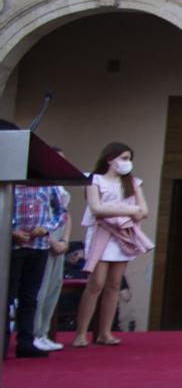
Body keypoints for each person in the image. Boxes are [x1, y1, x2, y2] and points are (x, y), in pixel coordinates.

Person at [70, 141, 153, 348]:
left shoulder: (133, 183)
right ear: (110, 159)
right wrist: (128, 210)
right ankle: (81, 332)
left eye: (130, 159)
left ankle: (105, 332)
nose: (128, 163)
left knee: (114, 285)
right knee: (96, 283)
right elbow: (97, 209)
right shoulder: (95, 180)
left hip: (122, 236)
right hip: (101, 233)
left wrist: (121, 210)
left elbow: (143, 210)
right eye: (124, 158)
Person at [7, 181, 60, 361]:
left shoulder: (48, 186)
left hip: (39, 247)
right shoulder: (10, 185)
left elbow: (61, 213)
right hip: (12, 247)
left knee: (29, 296)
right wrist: (10, 230)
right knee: (7, 296)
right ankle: (3, 342)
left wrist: (47, 228)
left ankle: (25, 342)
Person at [33, 183, 69, 350]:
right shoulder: (39, 187)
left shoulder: (58, 187)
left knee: (53, 288)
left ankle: (43, 333)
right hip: (43, 239)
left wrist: (65, 241)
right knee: (40, 288)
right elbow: (35, 217)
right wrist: (52, 241)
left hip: (60, 238)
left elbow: (66, 216)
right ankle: (33, 333)